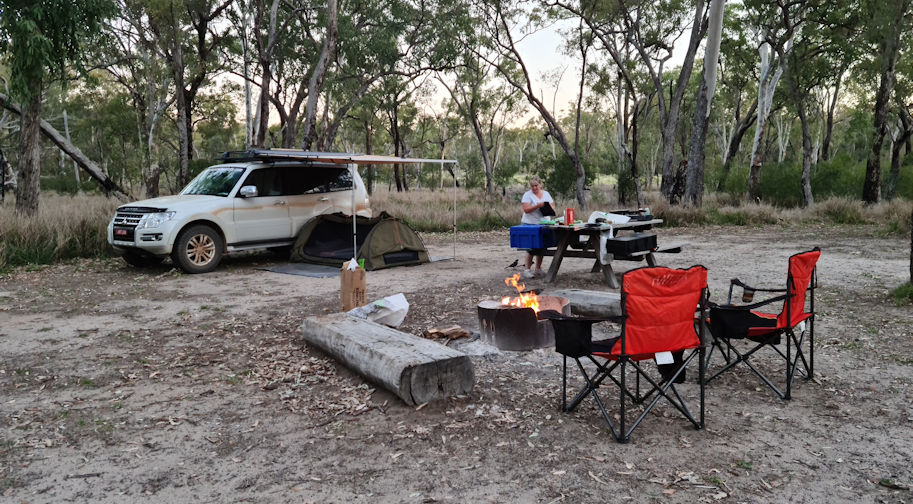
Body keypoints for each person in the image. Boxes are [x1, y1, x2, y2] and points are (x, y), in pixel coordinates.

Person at [520, 177, 554, 278]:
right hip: (530, 224)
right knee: (531, 248)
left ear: (540, 185)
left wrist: (547, 208)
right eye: (532, 186)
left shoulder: (546, 194)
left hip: (543, 223)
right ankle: (527, 269)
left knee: (542, 247)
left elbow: (552, 206)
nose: (534, 188)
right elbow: (526, 209)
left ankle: (538, 268)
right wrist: (538, 206)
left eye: (536, 186)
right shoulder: (527, 195)